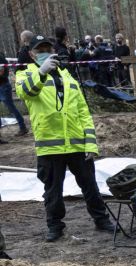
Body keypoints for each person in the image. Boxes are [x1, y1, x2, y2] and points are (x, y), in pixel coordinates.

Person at [15, 35, 115, 242]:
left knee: (90, 186)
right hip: (50, 147)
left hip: (77, 143)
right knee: (53, 191)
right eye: (39, 49)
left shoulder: (68, 77)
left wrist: (90, 143)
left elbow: (83, 112)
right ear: (32, 54)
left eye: (47, 48)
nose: (44, 52)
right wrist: (41, 73)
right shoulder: (26, 74)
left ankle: (101, 220)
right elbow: (26, 93)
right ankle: (55, 226)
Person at [0, 48, 28, 136]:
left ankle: (22, 127)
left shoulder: (0, 56)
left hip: (3, 86)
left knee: (11, 107)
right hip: (2, 85)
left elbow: (1, 71)